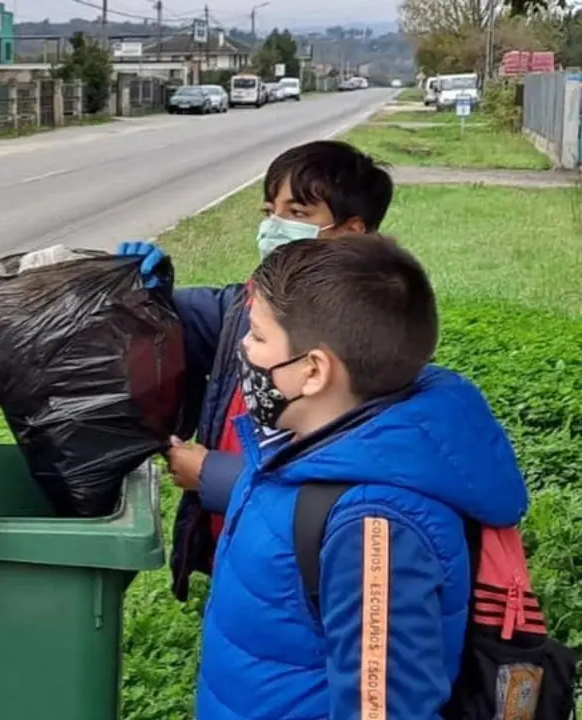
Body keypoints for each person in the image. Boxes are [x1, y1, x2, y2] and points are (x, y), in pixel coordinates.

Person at [197, 235, 528, 718]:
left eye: (258, 336)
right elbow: (290, 511)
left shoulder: (375, 529)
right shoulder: (317, 440)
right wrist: (210, 476)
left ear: (313, 371)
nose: (243, 349)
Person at [117, 140, 395, 600]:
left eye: (297, 214)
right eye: (270, 210)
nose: (274, 227)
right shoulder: (248, 305)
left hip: (308, 574)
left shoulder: (372, 340)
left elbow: (349, 493)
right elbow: (179, 321)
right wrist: (153, 289)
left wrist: (214, 477)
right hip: (242, 547)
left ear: (353, 231)